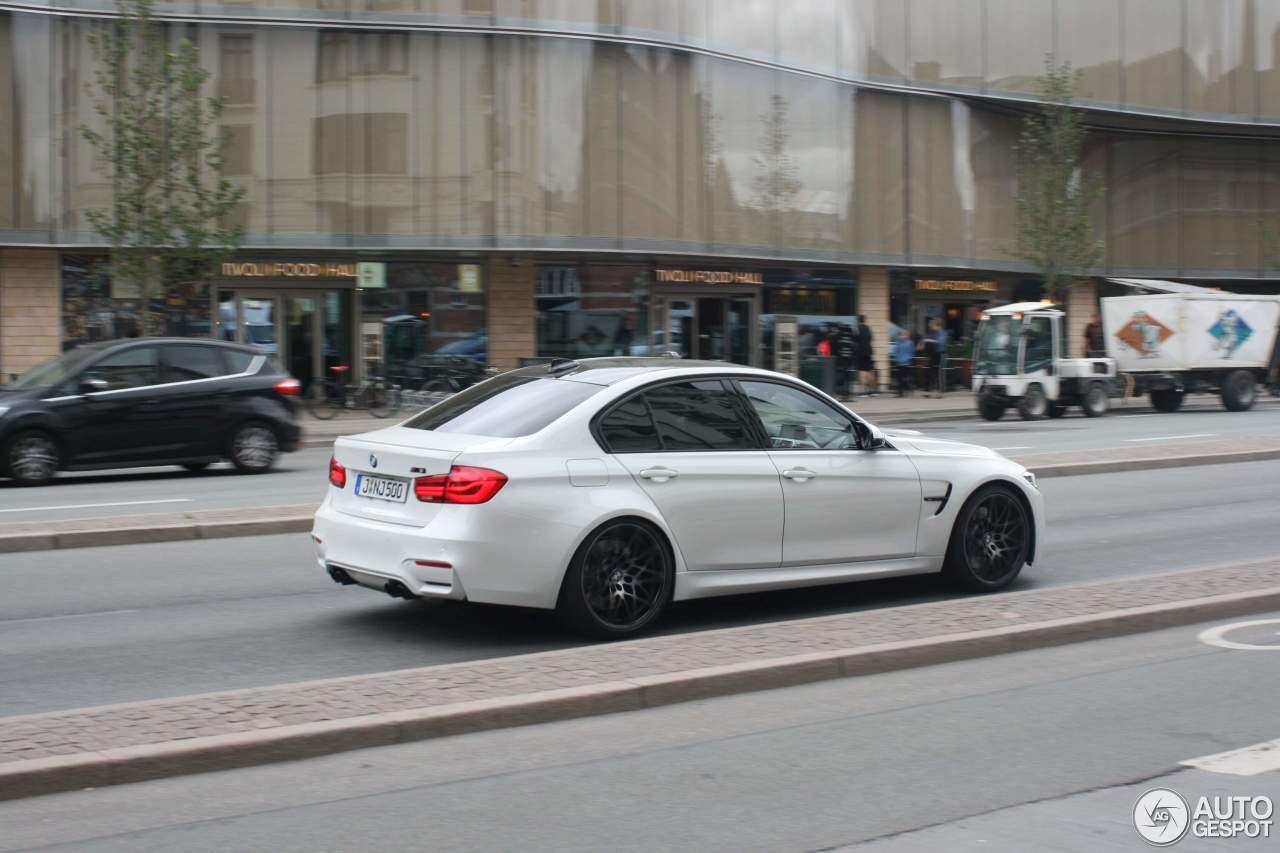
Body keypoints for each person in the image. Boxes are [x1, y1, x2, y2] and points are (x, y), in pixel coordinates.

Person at [834, 323, 857, 399]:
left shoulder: (838, 336)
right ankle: (847, 393)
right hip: (849, 360)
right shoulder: (851, 337)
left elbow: (836, 347)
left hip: (841, 360)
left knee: (841, 376)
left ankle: (841, 393)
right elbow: (853, 348)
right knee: (848, 377)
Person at [855, 314, 877, 396]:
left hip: (861, 352)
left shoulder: (857, 329)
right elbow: (871, 338)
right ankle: (872, 391)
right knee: (869, 371)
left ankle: (862, 392)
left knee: (862, 371)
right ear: (865, 320)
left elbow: (856, 340)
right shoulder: (868, 328)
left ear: (858, 320)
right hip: (869, 351)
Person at [891, 328, 915, 397]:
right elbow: (895, 351)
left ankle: (906, 390)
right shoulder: (898, 342)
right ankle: (900, 392)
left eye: (904, 335)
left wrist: (908, 358)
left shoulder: (910, 343)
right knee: (899, 378)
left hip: (906, 363)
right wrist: (896, 358)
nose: (902, 336)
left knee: (905, 378)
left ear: (907, 336)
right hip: (899, 363)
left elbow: (912, 352)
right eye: (901, 335)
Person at [928, 319, 948, 397]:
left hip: (942, 354)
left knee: (941, 373)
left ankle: (941, 392)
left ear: (938, 325)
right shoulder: (936, 333)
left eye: (933, 326)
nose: (932, 327)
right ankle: (938, 390)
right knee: (937, 372)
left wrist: (932, 340)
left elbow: (941, 342)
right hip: (937, 354)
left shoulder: (942, 333)